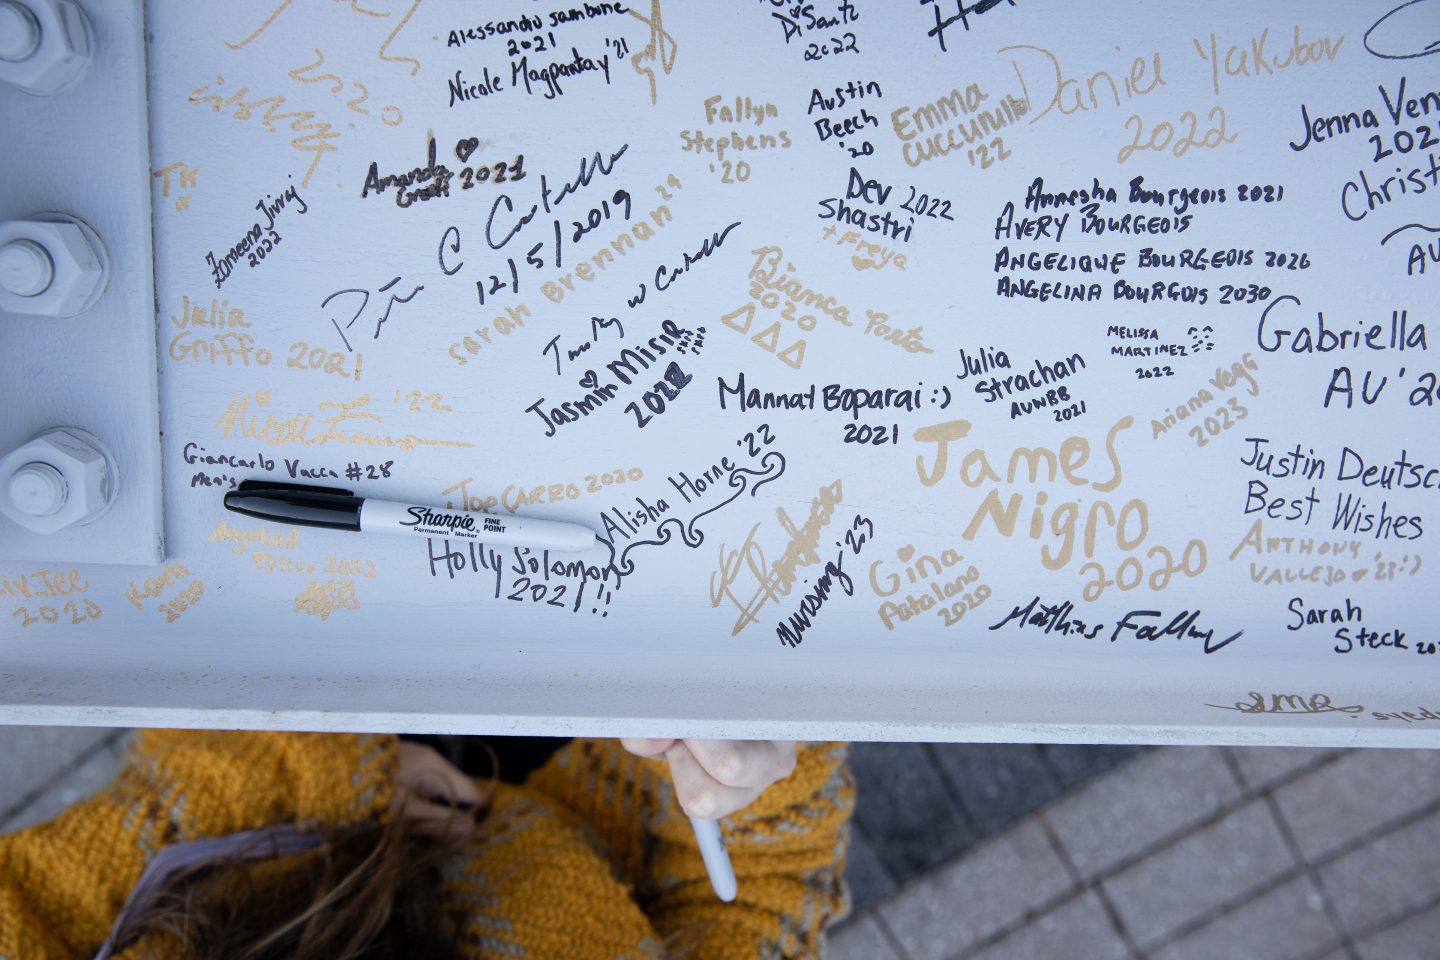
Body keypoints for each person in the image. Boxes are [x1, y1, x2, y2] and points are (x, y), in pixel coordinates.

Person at [0, 730, 854, 958]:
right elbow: (760, 899)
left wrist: (339, 774)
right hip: (618, 765)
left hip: (309, 686)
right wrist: (747, 775)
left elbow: (27, 900)